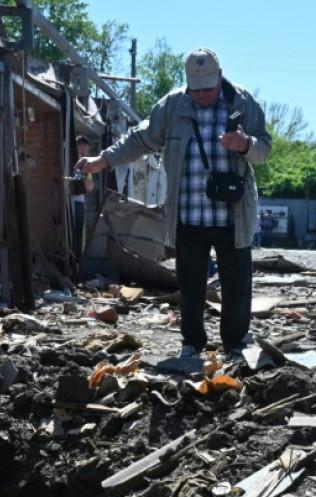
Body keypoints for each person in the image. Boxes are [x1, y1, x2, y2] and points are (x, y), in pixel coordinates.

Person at [75, 47, 271, 361]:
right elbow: (140, 139)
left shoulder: (243, 102)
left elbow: (265, 147)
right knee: (190, 286)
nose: (203, 95)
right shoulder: (172, 106)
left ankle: (235, 344)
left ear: (219, 77)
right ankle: (192, 343)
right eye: (197, 90)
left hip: (232, 214)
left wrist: (246, 144)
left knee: (236, 286)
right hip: (188, 213)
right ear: (188, 83)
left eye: (209, 88)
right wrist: (103, 160)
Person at [70, 136, 95, 266]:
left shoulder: (67, 158)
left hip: (68, 200)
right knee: (78, 235)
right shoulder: (82, 163)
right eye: (85, 150)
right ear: (80, 146)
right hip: (77, 201)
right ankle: (77, 264)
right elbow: (89, 186)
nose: (86, 154)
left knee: (72, 234)